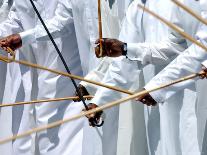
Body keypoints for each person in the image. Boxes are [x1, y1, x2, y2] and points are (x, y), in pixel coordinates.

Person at [94, 0, 206, 154]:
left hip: (189, 93)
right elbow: (175, 45)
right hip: (157, 96)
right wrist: (125, 49)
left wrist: (158, 88)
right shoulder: (137, 6)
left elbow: (201, 51)